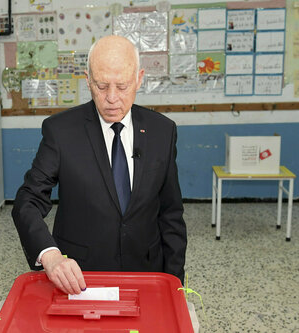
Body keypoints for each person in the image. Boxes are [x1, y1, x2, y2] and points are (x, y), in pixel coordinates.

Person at [12, 36, 187, 295]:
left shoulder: (162, 131)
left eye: (123, 86)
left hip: (146, 273)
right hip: (80, 277)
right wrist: (50, 256)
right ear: (88, 80)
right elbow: (28, 200)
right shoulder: (61, 131)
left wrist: (176, 288)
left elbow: (171, 215)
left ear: (139, 79)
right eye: (102, 86)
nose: (112, 98)